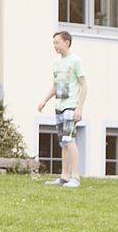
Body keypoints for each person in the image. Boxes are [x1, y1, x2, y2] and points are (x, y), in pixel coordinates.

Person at [35, 30, 88, 188]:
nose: (55, 46)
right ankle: (64, 176)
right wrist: (44, 100)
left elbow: (84, 85)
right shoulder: (57, 63)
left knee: (69, 140)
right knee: (63, 142)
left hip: (71, 106)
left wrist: (79, 108)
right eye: (54, 43)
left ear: (67, 42)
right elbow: (57, 85)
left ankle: (75, 177)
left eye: (57, 42)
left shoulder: (75, 61)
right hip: (59, 106)